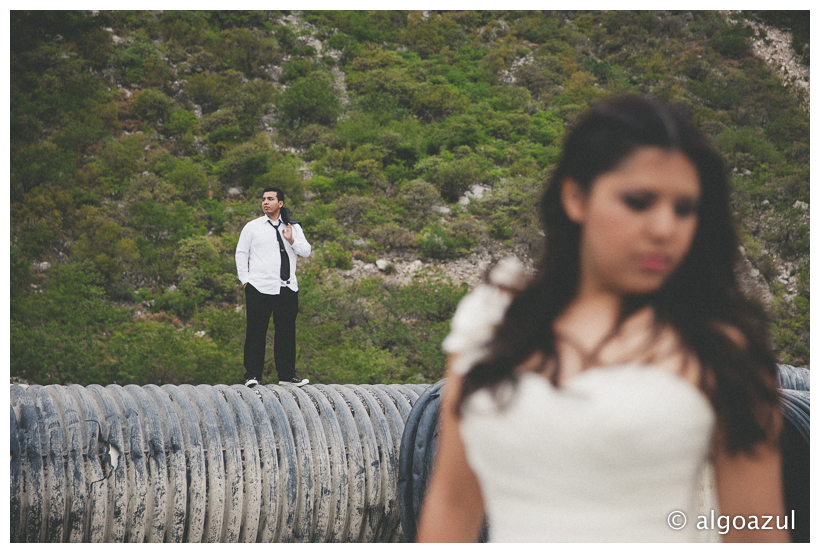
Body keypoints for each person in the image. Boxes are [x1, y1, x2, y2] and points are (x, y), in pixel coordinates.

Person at [417, 95, 788, 542]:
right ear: (576, 197)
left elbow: (757, 533)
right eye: (639, 201)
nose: (664, 228)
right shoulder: (492, 323)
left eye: (685, 208)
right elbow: (452, 504)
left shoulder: (719, 345)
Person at [236, 186, 311, 387]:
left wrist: (291, 239)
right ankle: (252, 375)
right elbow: (241, 253)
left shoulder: (293, 227)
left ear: (281, 203)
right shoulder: (252, 227)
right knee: (255, 332)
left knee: (286, 333)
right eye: (263, 199)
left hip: (287, 288)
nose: (265, 202)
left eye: (270, 198)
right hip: (259, 288)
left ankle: (287, 376)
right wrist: (245, 280)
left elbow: (306, 251)